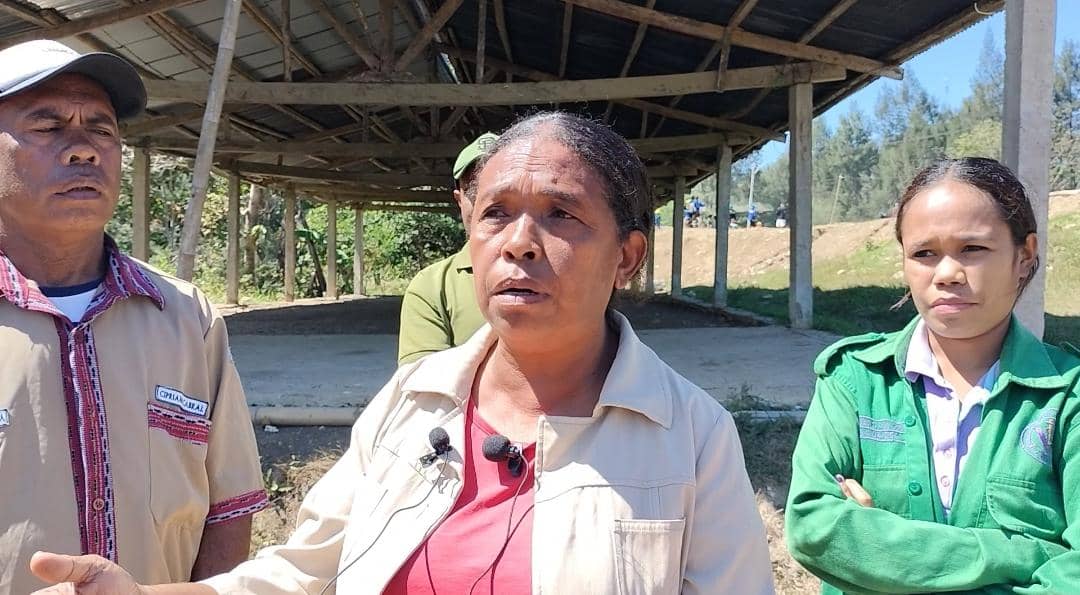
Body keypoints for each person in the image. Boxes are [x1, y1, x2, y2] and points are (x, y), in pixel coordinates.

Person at [29, 112, 776, 595]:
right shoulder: (411, 402)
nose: (519, 242)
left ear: (627, 257)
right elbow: (296, 574)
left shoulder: (691, 436)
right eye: (496, 214)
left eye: (561, 214)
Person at [0, 40, 267, 593]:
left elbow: (228, 506)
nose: (83, 149)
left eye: (101, 129)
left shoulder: (188, 318)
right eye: (48, 127)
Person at [785, 157, 1080, 593]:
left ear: (1025, 255)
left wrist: (879, 550)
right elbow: (813, 526)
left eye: (972, 249)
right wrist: (1024, 554)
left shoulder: (1068, 397)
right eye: (924, 253)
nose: (946, 274)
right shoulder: (853, 380)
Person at [397, 133, 497, 365]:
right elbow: (423, 380)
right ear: (459, 199)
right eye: (474, 190)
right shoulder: (432, 286)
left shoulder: (564, 272)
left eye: (498, 190)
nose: (486, 201)